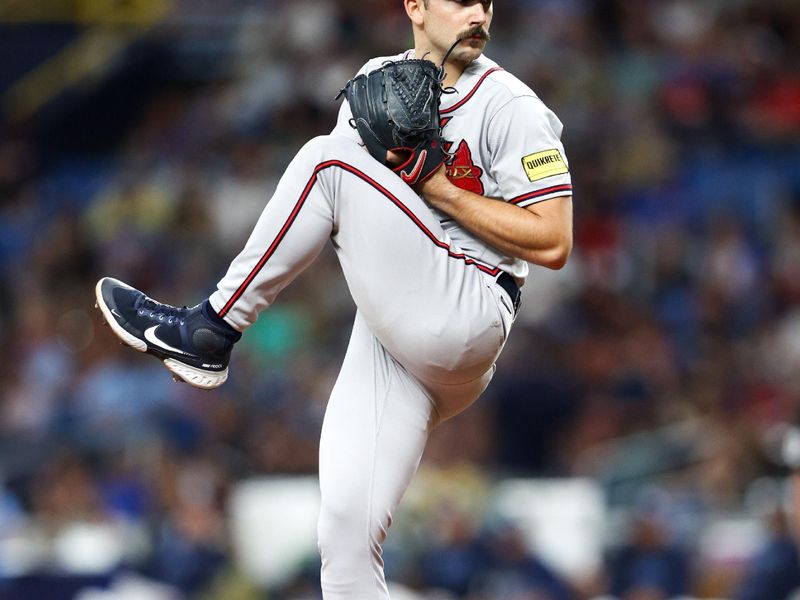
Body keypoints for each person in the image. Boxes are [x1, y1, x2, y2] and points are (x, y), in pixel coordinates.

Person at [94, 1, 573, 598]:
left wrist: (440, 191)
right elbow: (341, 216)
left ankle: (212, 330)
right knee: (345, 538)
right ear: (416, 7)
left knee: (324, 160)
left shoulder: (512, 107)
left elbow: (554, 240)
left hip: (470, 306)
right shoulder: (375, 82)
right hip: (396, 331)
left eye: (486, 0)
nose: (477, 12)